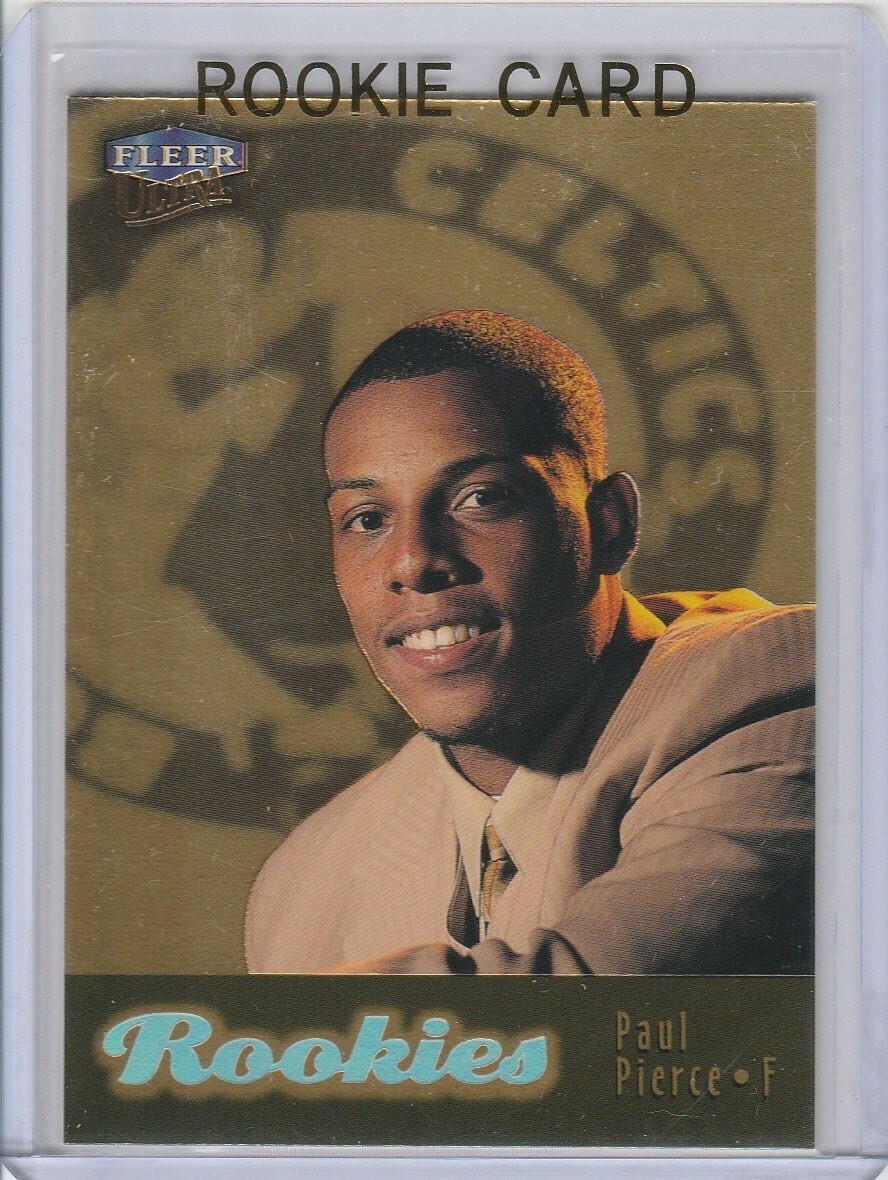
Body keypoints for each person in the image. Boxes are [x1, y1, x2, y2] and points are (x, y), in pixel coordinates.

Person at [245, 310, 814, 976]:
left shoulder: (780, 689)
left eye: (481, 498)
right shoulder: (306, 883)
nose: (415, 561)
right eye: (368, 519)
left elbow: (574, 1012)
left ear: (609, 525)